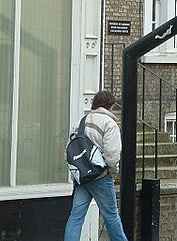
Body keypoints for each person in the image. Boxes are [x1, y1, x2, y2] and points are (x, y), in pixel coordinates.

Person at [64, 90, 128, 241]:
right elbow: (112, 155)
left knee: (76, 217)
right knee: (111, 215)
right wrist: (112, 173)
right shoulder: (109, 124)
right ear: (110, 106)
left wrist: (78, 172)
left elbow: (70, 150)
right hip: (101, 177)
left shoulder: (82, 121)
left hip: (83, 178)